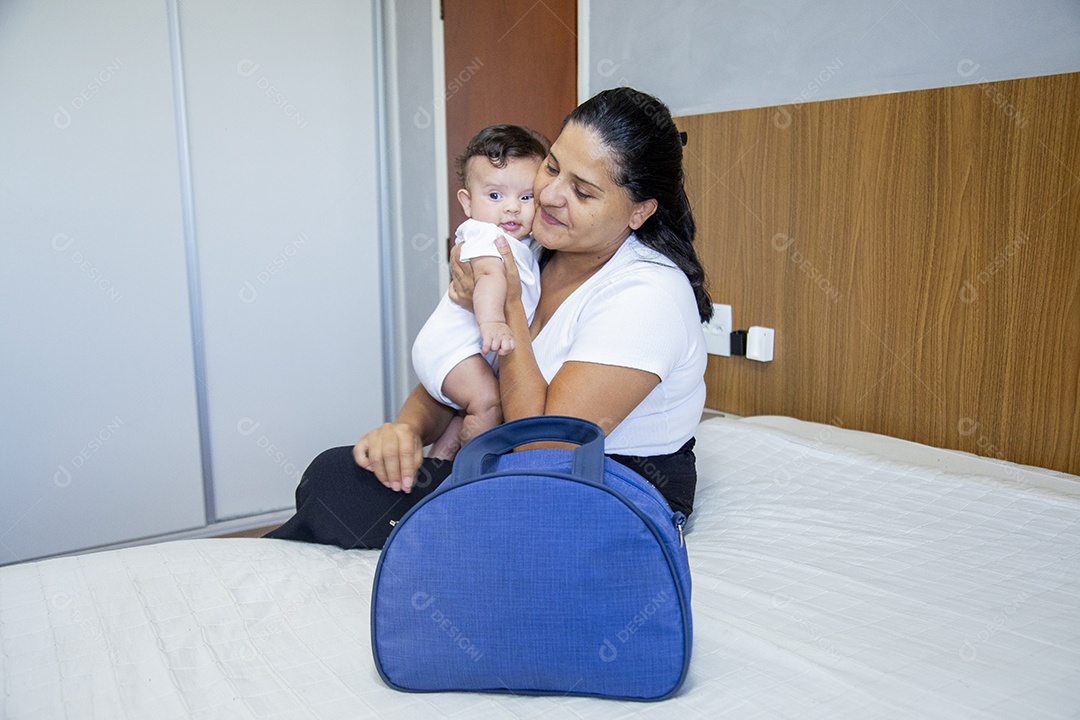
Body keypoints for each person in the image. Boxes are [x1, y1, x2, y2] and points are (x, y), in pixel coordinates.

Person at [267, 87, 713, 550]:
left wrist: (510, 308)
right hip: (514, 456)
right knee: (336, 473)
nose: (551, 195)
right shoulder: (535, 249)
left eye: (582, 191)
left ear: (639, 211)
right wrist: (407, 430)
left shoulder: (648, 295)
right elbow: (467, 367)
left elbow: (545, 450)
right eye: (553, 167)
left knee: (361, 504)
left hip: (606, 484)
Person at [411, 125, 549, 460]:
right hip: (451, 349)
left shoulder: (525, 244)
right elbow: (488, 276)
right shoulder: (486, 236)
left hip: (467, 352)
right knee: (488, 404)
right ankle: (469, 469)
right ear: (467, 202)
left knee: (467, 413)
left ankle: (437, 469)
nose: (512, 208)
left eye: (526, 197)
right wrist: (492, 323)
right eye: (495, 196)